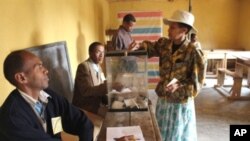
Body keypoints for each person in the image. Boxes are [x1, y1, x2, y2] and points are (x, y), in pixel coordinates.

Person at [130, 10, 206, 141]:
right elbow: (150, 48)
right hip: (164, 100)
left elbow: (196, 84)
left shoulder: (193, 52)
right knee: (161, 133)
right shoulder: (164, 44)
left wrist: (179, 86)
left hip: (179, 104)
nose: (168, 29)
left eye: (172, 27)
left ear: (184, 30)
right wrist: (139, 46)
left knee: (177, 135)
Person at [0, 50, 93, 141]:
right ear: (21, 78)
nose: (46, 70)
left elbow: (83, 123)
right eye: (39, 67)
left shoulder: (49, 96)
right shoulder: (11, 118)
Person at [72, 42, 107, 140]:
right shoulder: (83, 67)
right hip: (86, 106)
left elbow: (101, 85)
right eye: (98, 52)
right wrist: (108, 86)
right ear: (90, 53)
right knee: (110, 118)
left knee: (114, 111)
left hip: (97, 104)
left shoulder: (98, 67)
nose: (101, 55)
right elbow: (86, 91)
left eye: (103, 52)